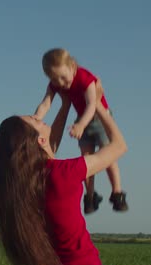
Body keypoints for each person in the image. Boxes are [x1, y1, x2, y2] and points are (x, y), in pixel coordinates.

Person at [0, 93, 127, 265]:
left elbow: (50, 147)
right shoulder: (64, 173)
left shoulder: (26, 184)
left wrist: (65, 105)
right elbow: (119, 146)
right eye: (34, 119)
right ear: (39, 141)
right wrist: (99, 106)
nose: (39, 116)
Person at [34, 48, 127, 213]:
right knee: (86, 159)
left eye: (63, 77)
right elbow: (46, 103)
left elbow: (92, 104)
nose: (61, 83)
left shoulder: (84, 77)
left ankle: (117, 193)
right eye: (55, 79)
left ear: (72, 66)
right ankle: (90, 197)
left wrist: (81, 125)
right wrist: (36, 118)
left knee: (108, 157)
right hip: (81, 122)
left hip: (99, 119)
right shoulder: (55, 84)